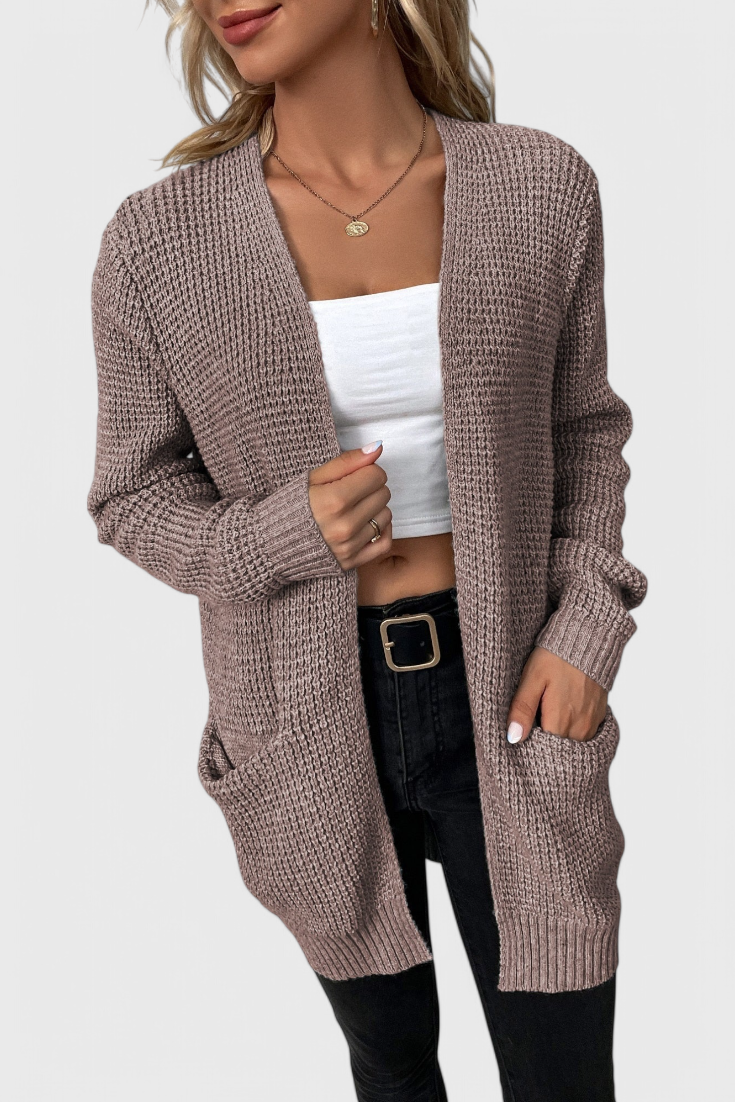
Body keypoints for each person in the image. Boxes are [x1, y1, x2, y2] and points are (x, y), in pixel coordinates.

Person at [88, 1, 648, 1098]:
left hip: (515, 697)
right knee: (391, 1071)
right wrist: (281, 533)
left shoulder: (538, 186)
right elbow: (133, 495)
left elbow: (584, 430)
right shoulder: (157, 241)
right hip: (302, 717)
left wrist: (588, 626)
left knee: (564, 1075)